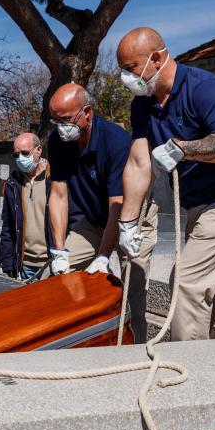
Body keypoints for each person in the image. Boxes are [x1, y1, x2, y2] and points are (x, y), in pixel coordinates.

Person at [116, 27, 215, 342]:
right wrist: (127, 223)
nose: (125, 78)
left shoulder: (203, 88)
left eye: (130, 69)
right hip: (199, 204)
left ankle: (191, 375)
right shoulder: (143, 104)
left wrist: (183, 149)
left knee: (186, 283)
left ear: (156, 58)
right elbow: (138, 163)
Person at [47, 83, 158, 343]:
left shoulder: (116, 142)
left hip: (131, 219)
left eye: (66, 120)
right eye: (56, 120)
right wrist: (59, 250)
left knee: (133, 288)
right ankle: (78, 340)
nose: (61, 128)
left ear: (87, 112)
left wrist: (103, 255)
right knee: (54, 278)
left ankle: (136, 346)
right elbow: (58, 196)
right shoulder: (58, 141)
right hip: (92, 220)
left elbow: (118, 205)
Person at [0, 133, 52, 283]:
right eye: (16, 155)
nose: (21, 159)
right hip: (26, 266)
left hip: (52, 262)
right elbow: (8, 225)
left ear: (39, 150)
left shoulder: (55, 178)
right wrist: (7, 261)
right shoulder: (13, 183)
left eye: (24, 153)